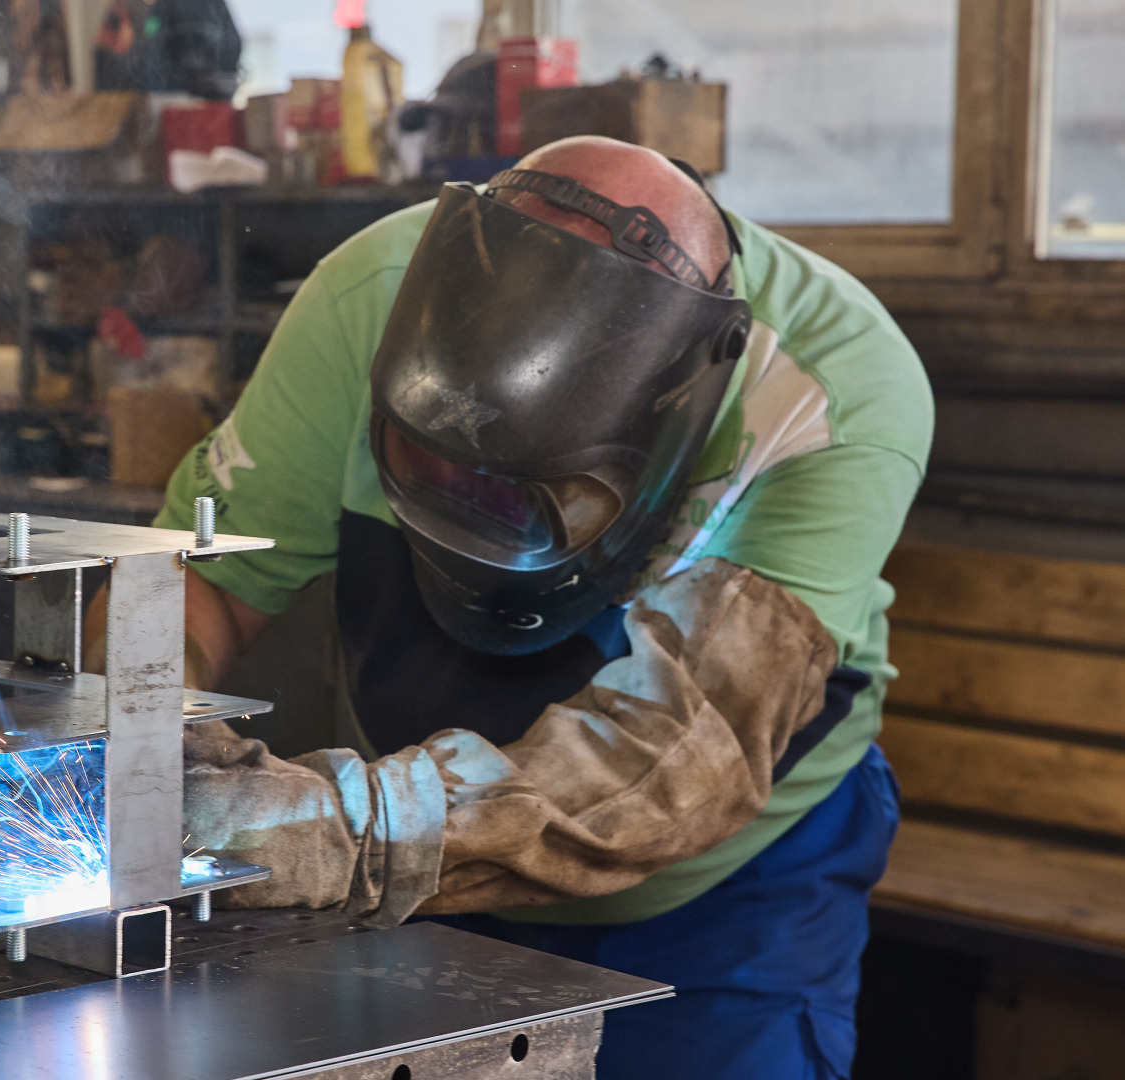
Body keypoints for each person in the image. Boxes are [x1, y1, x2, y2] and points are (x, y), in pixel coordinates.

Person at [100, 136, 933, 1078]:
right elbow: (196, 582)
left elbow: (669, 761)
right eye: (436, 470)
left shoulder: (834, 393)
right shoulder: (368, 292)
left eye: (524, 497)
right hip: (426, 861)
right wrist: (122, 738)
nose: (474, 511)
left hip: (727, 895)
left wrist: (339, 837)